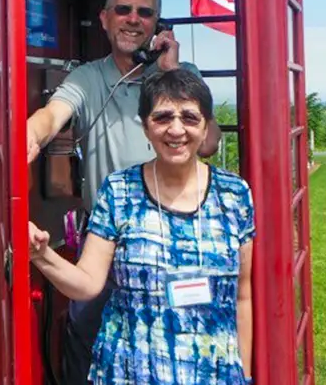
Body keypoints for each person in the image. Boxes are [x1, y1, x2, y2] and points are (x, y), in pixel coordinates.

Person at [26, 0, 221, 383]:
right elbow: (54, 114)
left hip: (176, 241)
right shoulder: (89, 78)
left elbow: (209, 144)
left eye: (145, 12)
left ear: (158, 26)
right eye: (123, 9)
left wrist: (169, 72)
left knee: (180, 352)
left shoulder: (180, 75)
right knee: (87, 342)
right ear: (103, 18)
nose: (133, 19)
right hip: (106, 248)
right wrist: (30, 134)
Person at [29, 68, 255, 384]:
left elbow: (243, 296)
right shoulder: (119, 190)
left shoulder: (234, 195)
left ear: (206, 128)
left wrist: (244, 375)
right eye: (162, 118)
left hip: (212, 374)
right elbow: (88, 284)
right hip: (129, 373)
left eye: (189, 118)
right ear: (146, 128)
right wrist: (40, 255)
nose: (176, 129)